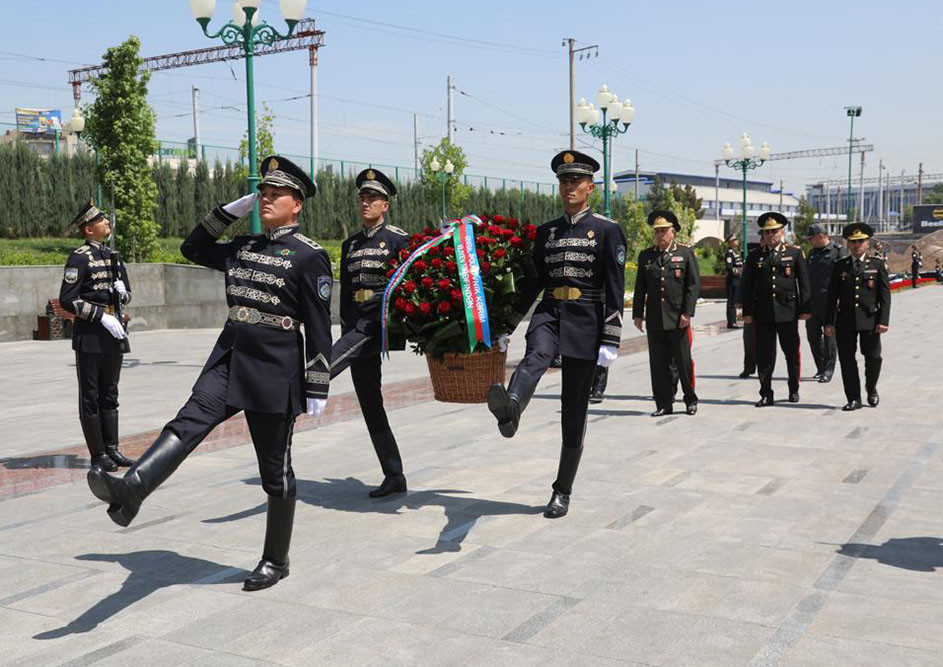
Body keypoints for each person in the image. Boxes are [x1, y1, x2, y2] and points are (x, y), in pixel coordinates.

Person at [87, 155, 332, 591]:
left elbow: (317, 326)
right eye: (265, 192)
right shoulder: (245, 246)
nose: (268, 198)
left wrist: (317, 383)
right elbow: (193, 249)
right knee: (187, 422)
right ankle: (133, 488)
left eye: (278, 193)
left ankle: (276, 560)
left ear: (298, 204)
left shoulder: (309, 257)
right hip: (230, 356)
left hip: (276, 369)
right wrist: (226, 213)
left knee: (274, 469)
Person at [487, 150, 626, 519]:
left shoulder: (608, 231)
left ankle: (561, 491)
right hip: (549, 312)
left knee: (573, 411)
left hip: (587, 321)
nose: (569, 187)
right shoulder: (547, 232)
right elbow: (533, 282)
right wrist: (507, 326)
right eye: (564, 181)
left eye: (576, 181)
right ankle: (512, 406)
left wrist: (611, 338)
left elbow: (615, 286)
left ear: (590, 188)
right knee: (535, 355)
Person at [330, 168, 410, 497]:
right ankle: (394, 474)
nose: (365, 203)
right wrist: (344, 325)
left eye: (372, 198)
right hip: (355, 322)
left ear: (385, 205)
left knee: (324, 366)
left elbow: (408, 285)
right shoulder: (350, 244)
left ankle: (293, 391)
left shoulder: (397, 239)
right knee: (369, 402)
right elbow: (346, 291)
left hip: (377, 324)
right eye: (362, 197)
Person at [59, 199, 135, 472]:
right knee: (90, 396)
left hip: (114, 334)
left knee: (110, 393)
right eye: (102, 221)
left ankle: (112, 449)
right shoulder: (79, 257)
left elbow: (126, 291)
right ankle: (98, 454)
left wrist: (122, 292)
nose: (107, 223)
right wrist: (100, 316)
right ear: (88, 230)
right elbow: (67, 299)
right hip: (91, 334)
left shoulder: (113, 256)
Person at [631, 210, 700, 416]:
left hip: (678, 318)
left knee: (683, 362)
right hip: (655, 318)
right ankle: (664, 403)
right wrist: (637, 314)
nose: (660, 235)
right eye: (657, 231)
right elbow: (640, 287)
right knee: (658, 364)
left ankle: (690, 399)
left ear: (673, 232)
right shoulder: (647, 255)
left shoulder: (685, 253)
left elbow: (693, 286)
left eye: (664, 231)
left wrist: (687, 313)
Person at [739, 212, 811, 406]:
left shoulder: (795, 253)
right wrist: (746, 311)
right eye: (768, 232)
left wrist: (805, 307)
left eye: (775, 231)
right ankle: (765, 392)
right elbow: (746, 284)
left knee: (791, 352)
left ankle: (793, 388)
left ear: (782, 231)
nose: (771, 235)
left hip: (788, 311)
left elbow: (803, 283)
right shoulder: (755, 256)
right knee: (764, 354)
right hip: (763, 312)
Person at [825, 223, 890, 411]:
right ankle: (853, 398)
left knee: (873, 357)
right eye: (852, 242)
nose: (856, 245)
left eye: (860, 241)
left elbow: (884, 295)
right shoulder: (840, 266)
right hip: (845, 320)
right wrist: (829, 322)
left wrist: (883, 321)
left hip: (870, 320)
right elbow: (832, 296)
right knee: (846, 359)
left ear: (867, 243)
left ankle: (871, 388)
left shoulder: (876, 265)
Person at [805, 223, 847, 383]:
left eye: (811, 238)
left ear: (821, 236)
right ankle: (820, 367)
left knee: (829, 335)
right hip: (812, 301)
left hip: (829, 300)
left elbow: (844, 277)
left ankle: (828, 369)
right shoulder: (812, 253)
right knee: (812, 336)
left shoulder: (837, 251)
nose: (809, 241)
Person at [723, 233, 743, 329]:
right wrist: (738, 272)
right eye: (735, 240)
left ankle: (734, 321)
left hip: (737, 280)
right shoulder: (729, 253)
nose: (737, 241)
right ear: (731, 242)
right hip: (732, 280)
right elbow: (729, 267)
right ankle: (731, 322)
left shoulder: (735, 252)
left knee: (734, 301)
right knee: (731, 302)